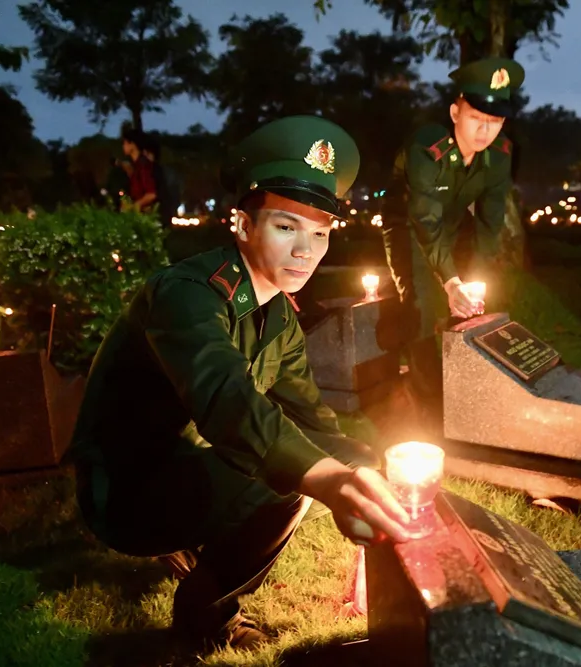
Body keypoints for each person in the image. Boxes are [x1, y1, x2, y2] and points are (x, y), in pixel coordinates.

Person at [70, 115, 411, 652]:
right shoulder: (186, 295)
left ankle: (196, 542)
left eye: (320, 232)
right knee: (284, 486)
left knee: (304, 459)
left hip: (187, 466)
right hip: (124, 486)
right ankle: (207, 616)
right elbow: (223, 398)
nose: (307, 250)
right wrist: (324, 478)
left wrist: (369, 464)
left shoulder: (279, 318)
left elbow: (309, 417)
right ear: (242, 225)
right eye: (285, 226)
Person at [381, 57, 524, 422]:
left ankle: (465, 390)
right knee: (424, 306)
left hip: (452, 226)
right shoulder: (428, 147)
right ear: (455, 112)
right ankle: (429, 406)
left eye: (495, 122)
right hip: (410, 226)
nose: (485, 131)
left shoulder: (500, 153)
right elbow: (425, 220)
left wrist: (477, 280)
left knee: (474, 304)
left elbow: (491, 224)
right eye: (477, 117)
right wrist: (451, 280)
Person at [121, 127, 158, 214]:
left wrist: (134, 206)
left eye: (125, 143)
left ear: (133, 144)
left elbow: (151, 194)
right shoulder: (136, 166)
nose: (123, 146)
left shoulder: (143, 166)